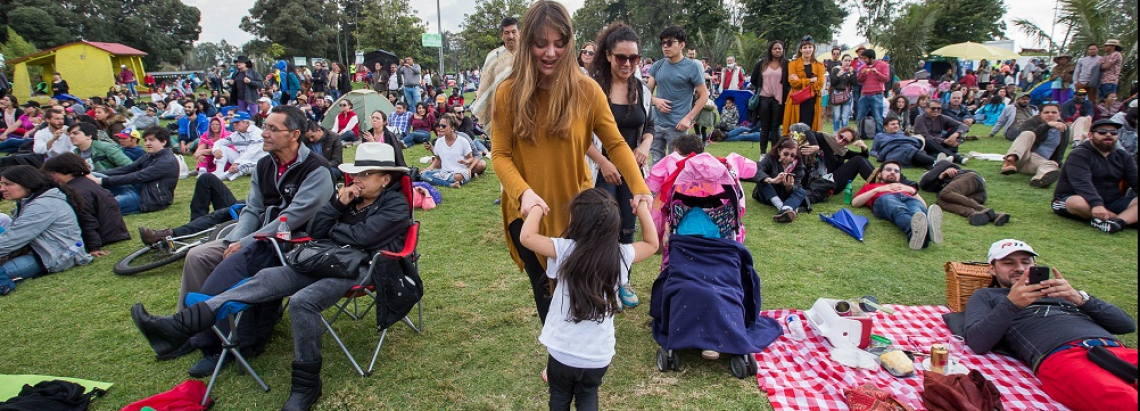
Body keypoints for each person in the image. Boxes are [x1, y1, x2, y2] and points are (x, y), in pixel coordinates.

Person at [130, 143, 409, 411]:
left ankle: (306, 385)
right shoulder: (349, 200)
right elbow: (318, 227)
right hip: (322, 259)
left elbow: (364, 238)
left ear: (385, 179)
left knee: (303, 301)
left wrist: (334, 232)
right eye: (356, 173)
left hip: (364, 267)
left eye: (365, 174)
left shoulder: (396, 205)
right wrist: (337, 204)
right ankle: (177, 327)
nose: (357, 179)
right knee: (264, 279)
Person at [491, 0, 651, 326]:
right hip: (528, 212)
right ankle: (557, 361)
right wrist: (523, 193)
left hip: (576, 212)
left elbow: (616, 144)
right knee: (546, 292)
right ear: (527, 44)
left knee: (575, 287)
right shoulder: (507, 92)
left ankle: (575, 354)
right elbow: (500, 155)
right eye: (541, 43)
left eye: (559, 43)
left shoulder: (587, 91)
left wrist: (640, 188)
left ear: (570, 43)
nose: (551, 52)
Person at [172, 106, 335, 371]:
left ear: (294, 134)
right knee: (198, 256)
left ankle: (221, 340)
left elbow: (292, 218)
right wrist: (233, 240)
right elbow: (252, 209)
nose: (264, 133)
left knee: (236, 265)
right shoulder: (264, 164)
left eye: (272, 128)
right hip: (257, 236)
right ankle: (189, 325)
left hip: (291, 244)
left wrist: (246, 243)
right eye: (266, 126)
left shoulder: (317, 170)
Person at [520, 188, 657, 410]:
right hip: (597, 355)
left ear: (577, 221)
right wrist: (641, 208)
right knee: (587, 396)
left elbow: (526, 237)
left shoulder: (565, 250)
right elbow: (652, 244)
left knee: (559, 395)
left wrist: (536, 207)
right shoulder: (620, 255)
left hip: (562, 351)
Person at [964, 239, 1138, 411]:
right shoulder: (988, 295)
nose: (1020, 268)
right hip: (1066, 358)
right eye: (1008, 263)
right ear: (992, 269)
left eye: (1026, 262)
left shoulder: (1058, 292)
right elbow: (977, 341)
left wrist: (1079, 298)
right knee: (1128, 403)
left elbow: (1127, 325)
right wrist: (1012, 304)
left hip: (1115, 350)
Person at [588, 23, 655, 300]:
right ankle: (601, 283)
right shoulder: (593, 89)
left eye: (634, 58)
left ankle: (622, 281)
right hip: (600, 168)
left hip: (633, 170)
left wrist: (644, 145)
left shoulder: (641, 90)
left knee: (628, 224)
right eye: (621, 57)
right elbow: (579, 135)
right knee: (603, 225)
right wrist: (603, 162)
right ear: (607, 56)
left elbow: (650, 125)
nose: (628, 63)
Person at [0, 166, 92, 296]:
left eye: (8, 184)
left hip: (53, 257)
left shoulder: (42, 205)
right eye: (2, 184)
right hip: (39, 252)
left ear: (27, 184)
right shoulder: (30, 200)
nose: (2, 189)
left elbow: (13, 239)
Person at [1052, 118, 1137, 233]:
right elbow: (1082, 183)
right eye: (1102, 132)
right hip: (1076, 199)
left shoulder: (1123, 156)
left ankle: (1116, 222)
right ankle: (1124, 219)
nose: (1108, 135)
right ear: (1090, 135)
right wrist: (1096, 204)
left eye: (1113, 133)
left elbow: (1135, 180)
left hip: (1112, 201)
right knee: (1077, 203)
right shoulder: (1079, 154)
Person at [41, 153, 130, 255]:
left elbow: (86, 219)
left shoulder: (77, 191)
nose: (52, 177)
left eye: (53, 173)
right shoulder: (86, 183)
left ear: (65, 171)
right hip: (116, 232)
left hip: (105, 237)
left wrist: (93, 247)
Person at [647, 25, 709, 165]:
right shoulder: (657, 65)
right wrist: (655, 101)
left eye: (670, 42)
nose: (665, 46)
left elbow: (704, 95)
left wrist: (688, 118)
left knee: (676, 166)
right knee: (656, 164)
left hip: (677, 126)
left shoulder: (692, 67)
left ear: (682, 45)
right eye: (663, 43)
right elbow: (646, 92)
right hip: (656, 123)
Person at [852, 161, 943, 250]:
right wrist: (877, 190)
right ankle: (924, 230)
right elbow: (855, 203)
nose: (892, 172)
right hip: (884, 200)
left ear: (899, 176)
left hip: (909, 199)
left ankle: (920, 237)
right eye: (888, 169)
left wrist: (912, 191)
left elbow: (923, 206)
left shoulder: (907, 188)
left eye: (896, 171)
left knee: (917, 211)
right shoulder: (871, 187)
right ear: (879, 174)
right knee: (897, 208)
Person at [89, 126, 179, 215]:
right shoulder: (149, 156)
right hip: (132, 189)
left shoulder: (167, 161)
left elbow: (138, 176)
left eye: (151, 140)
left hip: (147, 198)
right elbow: (127, 168)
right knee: (95, 175)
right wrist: (94, 175)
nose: (147, 143)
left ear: (163, 142)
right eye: (146, 140)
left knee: (103, 207)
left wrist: (102, 181)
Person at [919, 159, 1009, 226]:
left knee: (946, 192)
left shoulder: (943, 164)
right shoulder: (939, 183)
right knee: (940, 201)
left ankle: (981, 209)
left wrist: (944, 172)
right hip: (975, 196)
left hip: (971, 179)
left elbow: (927, 180)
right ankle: (978, 214)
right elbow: (928, 188)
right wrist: (941, 177)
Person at [1000, 103, 1071, 188]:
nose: (1050, 115)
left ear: (1059, 114)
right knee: (1028, 134)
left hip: (1038, 161)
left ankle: (1039, 180)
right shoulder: (1031, 122)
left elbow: (1061, 149)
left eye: (1054, 112)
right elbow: (1023, 138)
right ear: (1040, 114)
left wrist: (1059, 163)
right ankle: (1009, 161)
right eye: (1046, 112)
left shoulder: (1064, 128)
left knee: (1052, 164)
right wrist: (1047, 126)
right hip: (1022, 157)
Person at [810, 126, 874, 203]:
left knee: (859, 159)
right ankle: (879, 181)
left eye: (845, 141)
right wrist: (815, 146)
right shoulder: (825, 139)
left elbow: (864, 157)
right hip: (824, 182)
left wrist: (864, 147)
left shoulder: (842, 151)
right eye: (840, 136)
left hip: (834, 181)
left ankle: (880, 179)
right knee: (858, 160)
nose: (841, 141)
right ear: (838, 133)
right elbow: (809, 132)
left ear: (849, 143)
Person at [747, 41, 788, 153]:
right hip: (764, 98)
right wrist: (760, 86)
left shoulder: (786, 64)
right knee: (764, 128)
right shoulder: (762, 64)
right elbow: (753, 79)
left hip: (779, 100)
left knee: (775, 128)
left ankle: (774, 152)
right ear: (770, 50)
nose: (778, 51)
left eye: (780, 48)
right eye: (775, 49)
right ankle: (763, 153)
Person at [754, 137, 807, 222]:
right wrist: (772, 180)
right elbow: (757, 170)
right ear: (779, 151)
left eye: (792, 155)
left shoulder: (798, 165)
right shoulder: (770, 158)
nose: (789, 158)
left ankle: (786, 209)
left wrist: (789, 187)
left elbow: (797, 184)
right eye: (785, 154)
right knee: (763, 182)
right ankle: (783, 208)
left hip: (784, 194)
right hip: (767, 194)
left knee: (801, 191)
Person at [421, 113, 479, 188]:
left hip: (459, 172)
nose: (440, 128)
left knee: (458, 176)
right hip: (444, 172)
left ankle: (440, 181)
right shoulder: (439, 142)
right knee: (424, 175)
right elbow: (438, 158)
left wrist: (466, 162)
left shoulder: (463, 141)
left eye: (444, 126)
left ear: (452, 128)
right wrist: (430, 168)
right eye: (439, 126)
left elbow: (471, 158)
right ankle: (450, 184)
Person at [783, 36, 825, 132]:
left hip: (812, 99)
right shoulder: (793, 64)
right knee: (796, 125)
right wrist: (810, 81)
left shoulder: (819, 65)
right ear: (800, 49)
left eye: (810, 47)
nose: (807, 50)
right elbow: (793, 83)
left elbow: (819, 84)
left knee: (810, 125)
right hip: (797, 99)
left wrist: (801, 80)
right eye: (805, 47)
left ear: (813, 49)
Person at [211, 112, 266, 180]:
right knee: (222, 148)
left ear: (247, 123)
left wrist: (236, 163)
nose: (234, 124)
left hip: (257, 161)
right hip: (242, 159)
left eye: (237, 122)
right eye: (234, 122)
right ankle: (218, 172)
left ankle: (219, 178)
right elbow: (220, 142)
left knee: (242, 166)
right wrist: (216, 150)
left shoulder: (257, 133)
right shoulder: (236, 134)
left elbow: (250, 153)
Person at [914, 99, 969, 164]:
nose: (936, 110)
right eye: (933, 108)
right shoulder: (920, 118)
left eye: (939, 108)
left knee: (957, 128)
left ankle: (946, 154)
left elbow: (964, 126)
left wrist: (956, 134)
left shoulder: (942, 117)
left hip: (941, 143)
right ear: (927, 108)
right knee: (928, 140)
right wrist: (944, 141)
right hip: (927, 144)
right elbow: (925, 135)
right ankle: (956, 157)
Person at [871, 116, 936, 168]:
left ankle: (935, 165)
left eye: (897, 124)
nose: (896, 126)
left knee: (920, 152)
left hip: (910, 149)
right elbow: (873, 150)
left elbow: (911, 141)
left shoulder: (902, 134)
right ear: (885, 126)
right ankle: (937, 162)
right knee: (916, 154)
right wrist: (876, 154)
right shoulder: (880, 136)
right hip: (897, 152)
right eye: (893, 124)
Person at [68, 122, 132, 172]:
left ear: (89, 136)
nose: (71, 136)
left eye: (75, 133)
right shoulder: (75, 154)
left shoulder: (106, 148)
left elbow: (129, 166)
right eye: (70, 134)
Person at [856, 49, 890, 135]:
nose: (864, 60)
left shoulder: (883, 65)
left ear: (871, 58)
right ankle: (860, 133)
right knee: (860, 115)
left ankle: (879, 134)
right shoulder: (862, 67)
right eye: (863, 58)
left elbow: (886, 78)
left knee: (878, 116)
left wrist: (877, 72)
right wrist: (862, 74)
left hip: (877, 94)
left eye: (865, 58)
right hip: (864, 94)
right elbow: (859, 81)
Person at [829, 55, 856, 133]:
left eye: (849, 61)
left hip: (846, 95)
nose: (847, 63)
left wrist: (852, 74)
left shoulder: (851, 71)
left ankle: (844, 132)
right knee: (836, 115)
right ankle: (836, 132)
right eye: (845, 60)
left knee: (845, 116)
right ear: (842, 61)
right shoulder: (835, 69)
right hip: (837, 95)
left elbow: (854, 83)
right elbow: (832, 83)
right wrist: (838, 75)